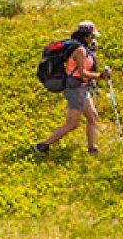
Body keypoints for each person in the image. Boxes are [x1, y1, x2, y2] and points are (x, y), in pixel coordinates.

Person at [35, 22, 104, 155]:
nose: (93, 39)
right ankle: (42, 146)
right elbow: (83, 72)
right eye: (92, 36)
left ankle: (93, 148)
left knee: (92, 116)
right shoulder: (80, 50)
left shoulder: (81, 48)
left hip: (81, 87)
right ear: (86, 36)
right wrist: (100, 76)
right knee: (72, 124)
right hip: (76, 88)